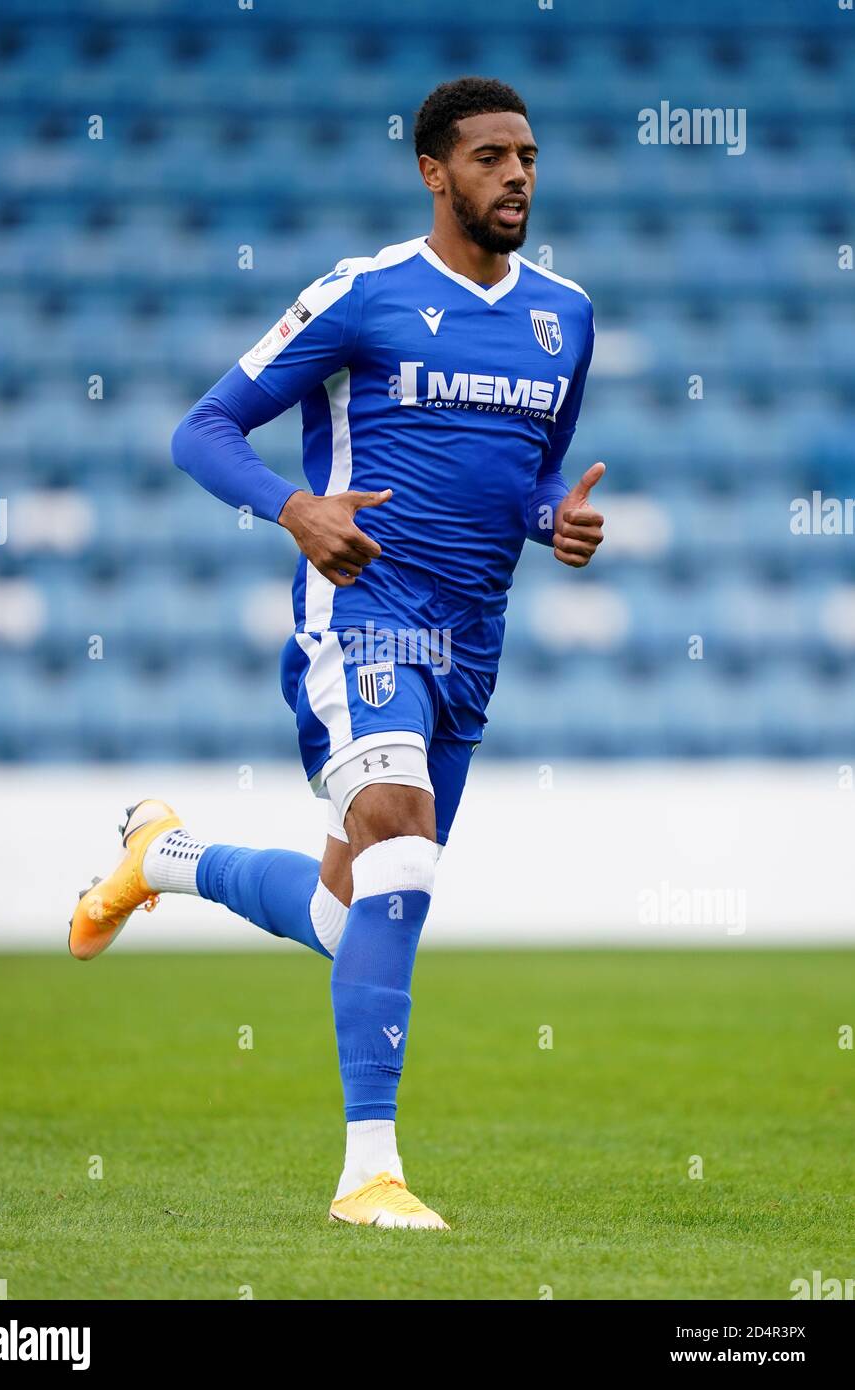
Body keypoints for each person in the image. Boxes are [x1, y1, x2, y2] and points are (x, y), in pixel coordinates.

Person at [69, 76, 604, 1230]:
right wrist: (292, 505)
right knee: (402, 849)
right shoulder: (361, 295)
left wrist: (553, 516)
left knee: (345, 909)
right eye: (489, 157)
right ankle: (369, 1173)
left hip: (472, 642)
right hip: (360, 617)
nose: (515, 175)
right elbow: (200, 428)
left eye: (527, 157)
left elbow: (532, 472)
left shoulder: (565, 314)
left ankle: (162, 856)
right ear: (432, 171)